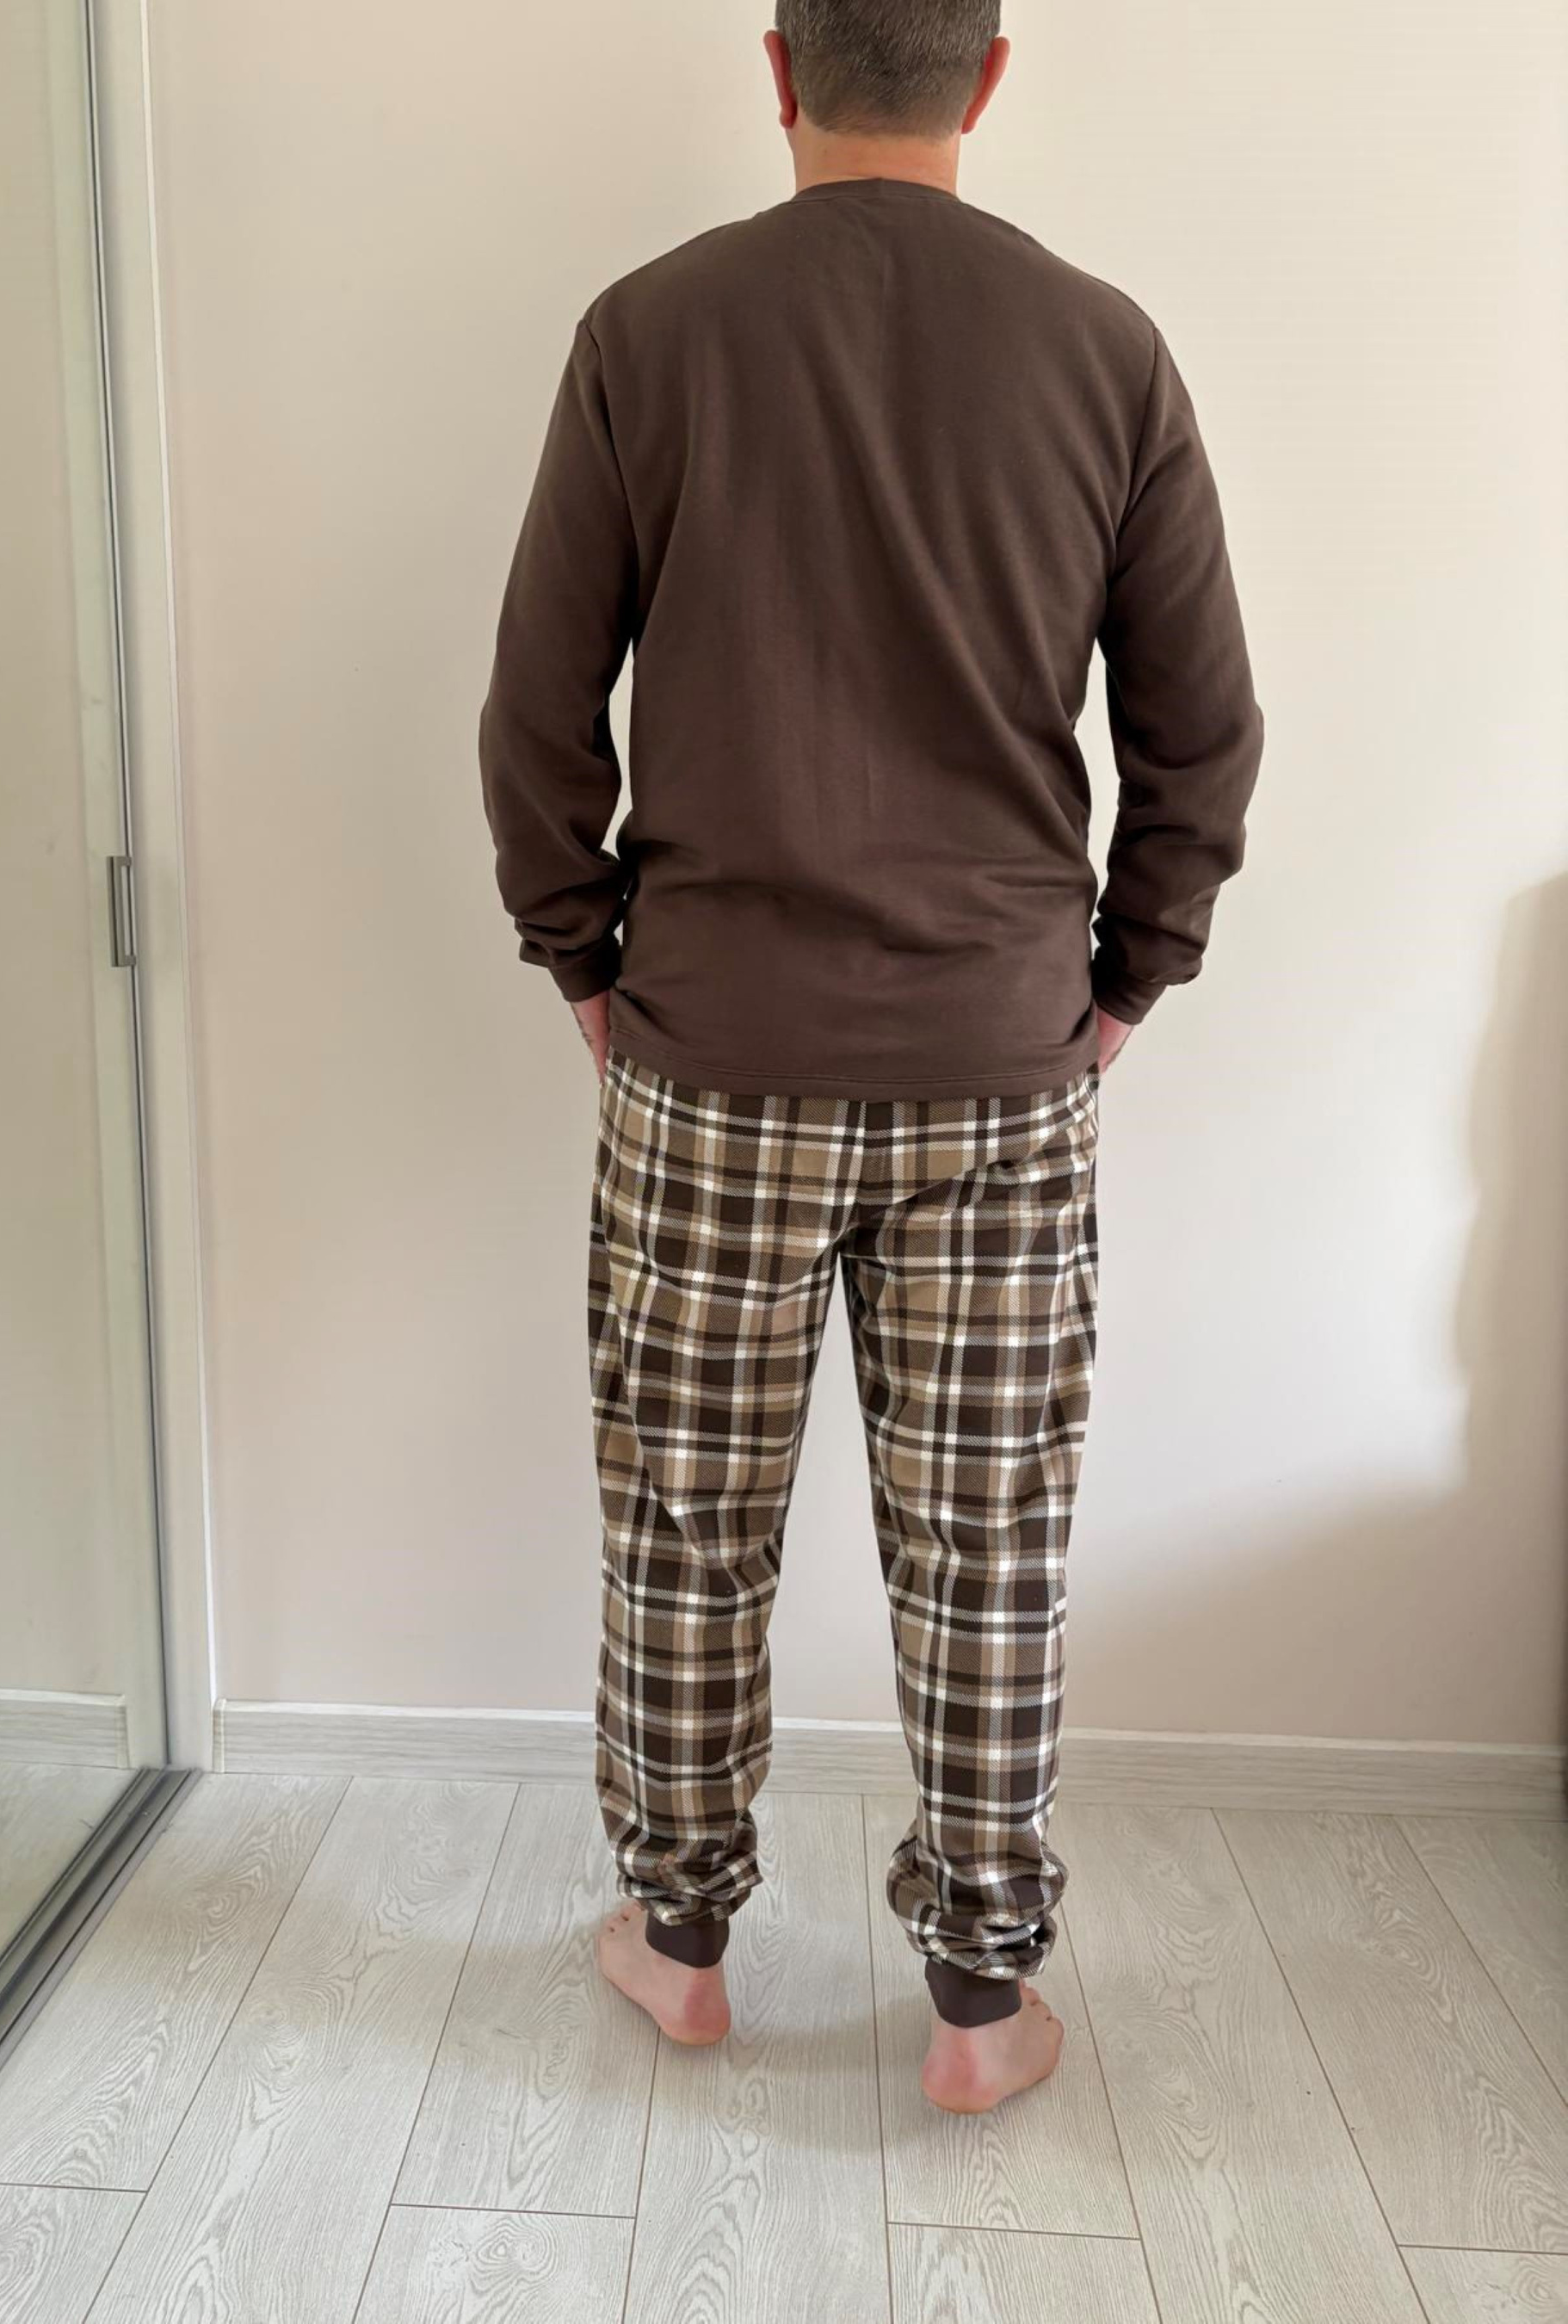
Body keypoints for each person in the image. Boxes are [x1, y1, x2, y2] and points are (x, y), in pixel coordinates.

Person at [478, 0, 1262, 2115]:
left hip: (707, 1060)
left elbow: (533, 710)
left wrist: (582, 959)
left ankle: (679, 1945)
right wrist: (1123, 978)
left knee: (684, 1530)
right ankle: (979, 2007)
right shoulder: (1102, 350)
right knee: (985, 1548)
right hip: (999, 1073)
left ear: (775, 66)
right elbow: (1201, 734)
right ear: (987, 77)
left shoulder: (648, 332)